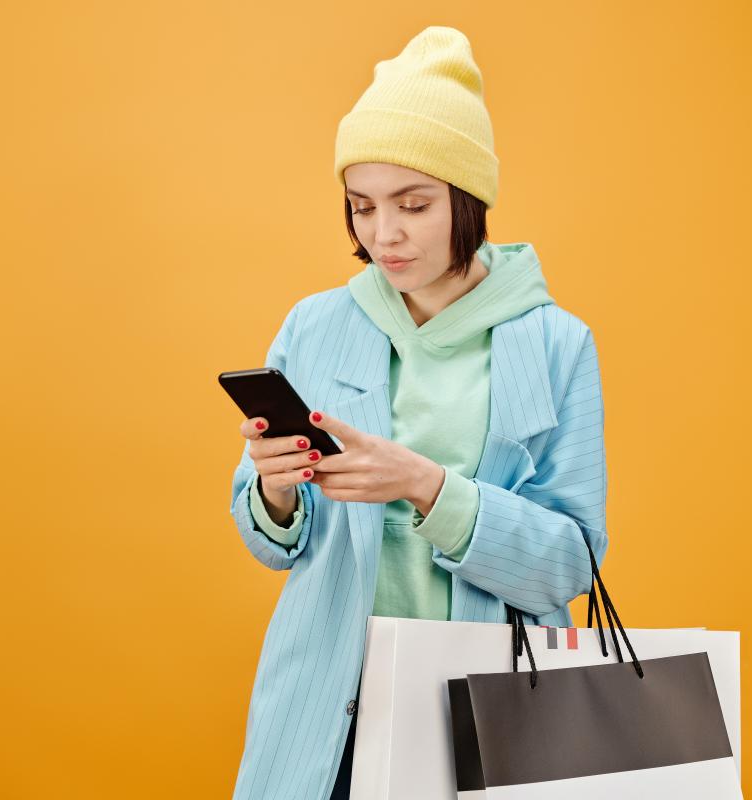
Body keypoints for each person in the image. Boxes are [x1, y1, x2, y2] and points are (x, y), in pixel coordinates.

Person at [227, 26, 609, 800]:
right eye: (362, 207)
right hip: (327, 706)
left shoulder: (555, 343)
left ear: (468, 199)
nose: (385, 234)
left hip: (487, 712)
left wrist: (429, 487)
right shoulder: (315, 325)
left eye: (414, 204)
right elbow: (270, 543)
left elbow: (571, 564)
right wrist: (272, 490)